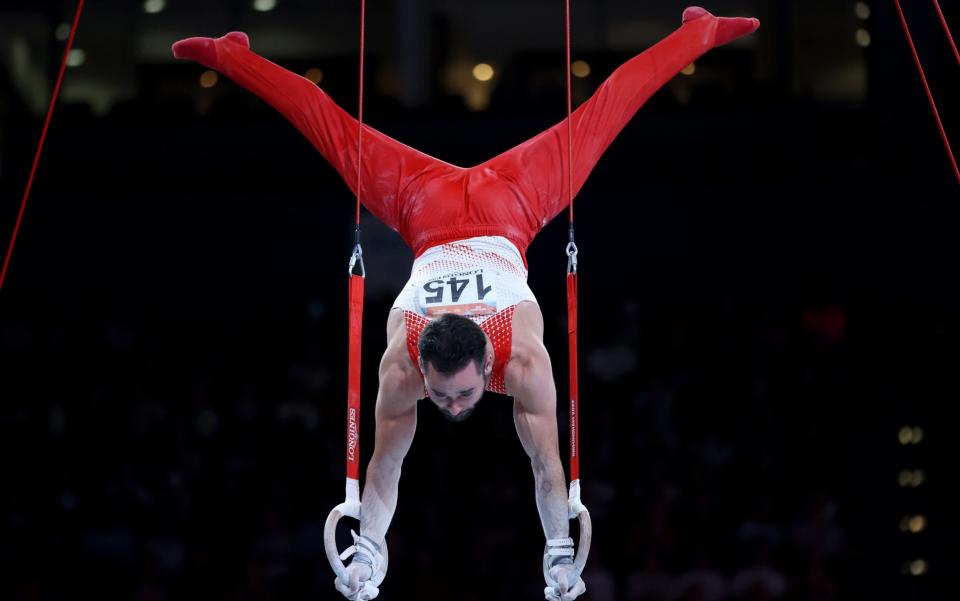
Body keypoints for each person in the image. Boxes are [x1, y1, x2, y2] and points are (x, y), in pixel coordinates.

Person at [172, 7, 759, 600]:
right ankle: (231, 53)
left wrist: (558, 546)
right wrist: (372, 549)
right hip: (512, 204)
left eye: (456, 393)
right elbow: (395, 467)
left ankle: (699, 30)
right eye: (448, 392)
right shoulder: (423, 367)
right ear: (432, 364)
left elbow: (539, 466)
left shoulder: (490, 361)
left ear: (486, 363)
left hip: (424, 207)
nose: (450, 405)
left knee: (597, 113)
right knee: (333, 125)